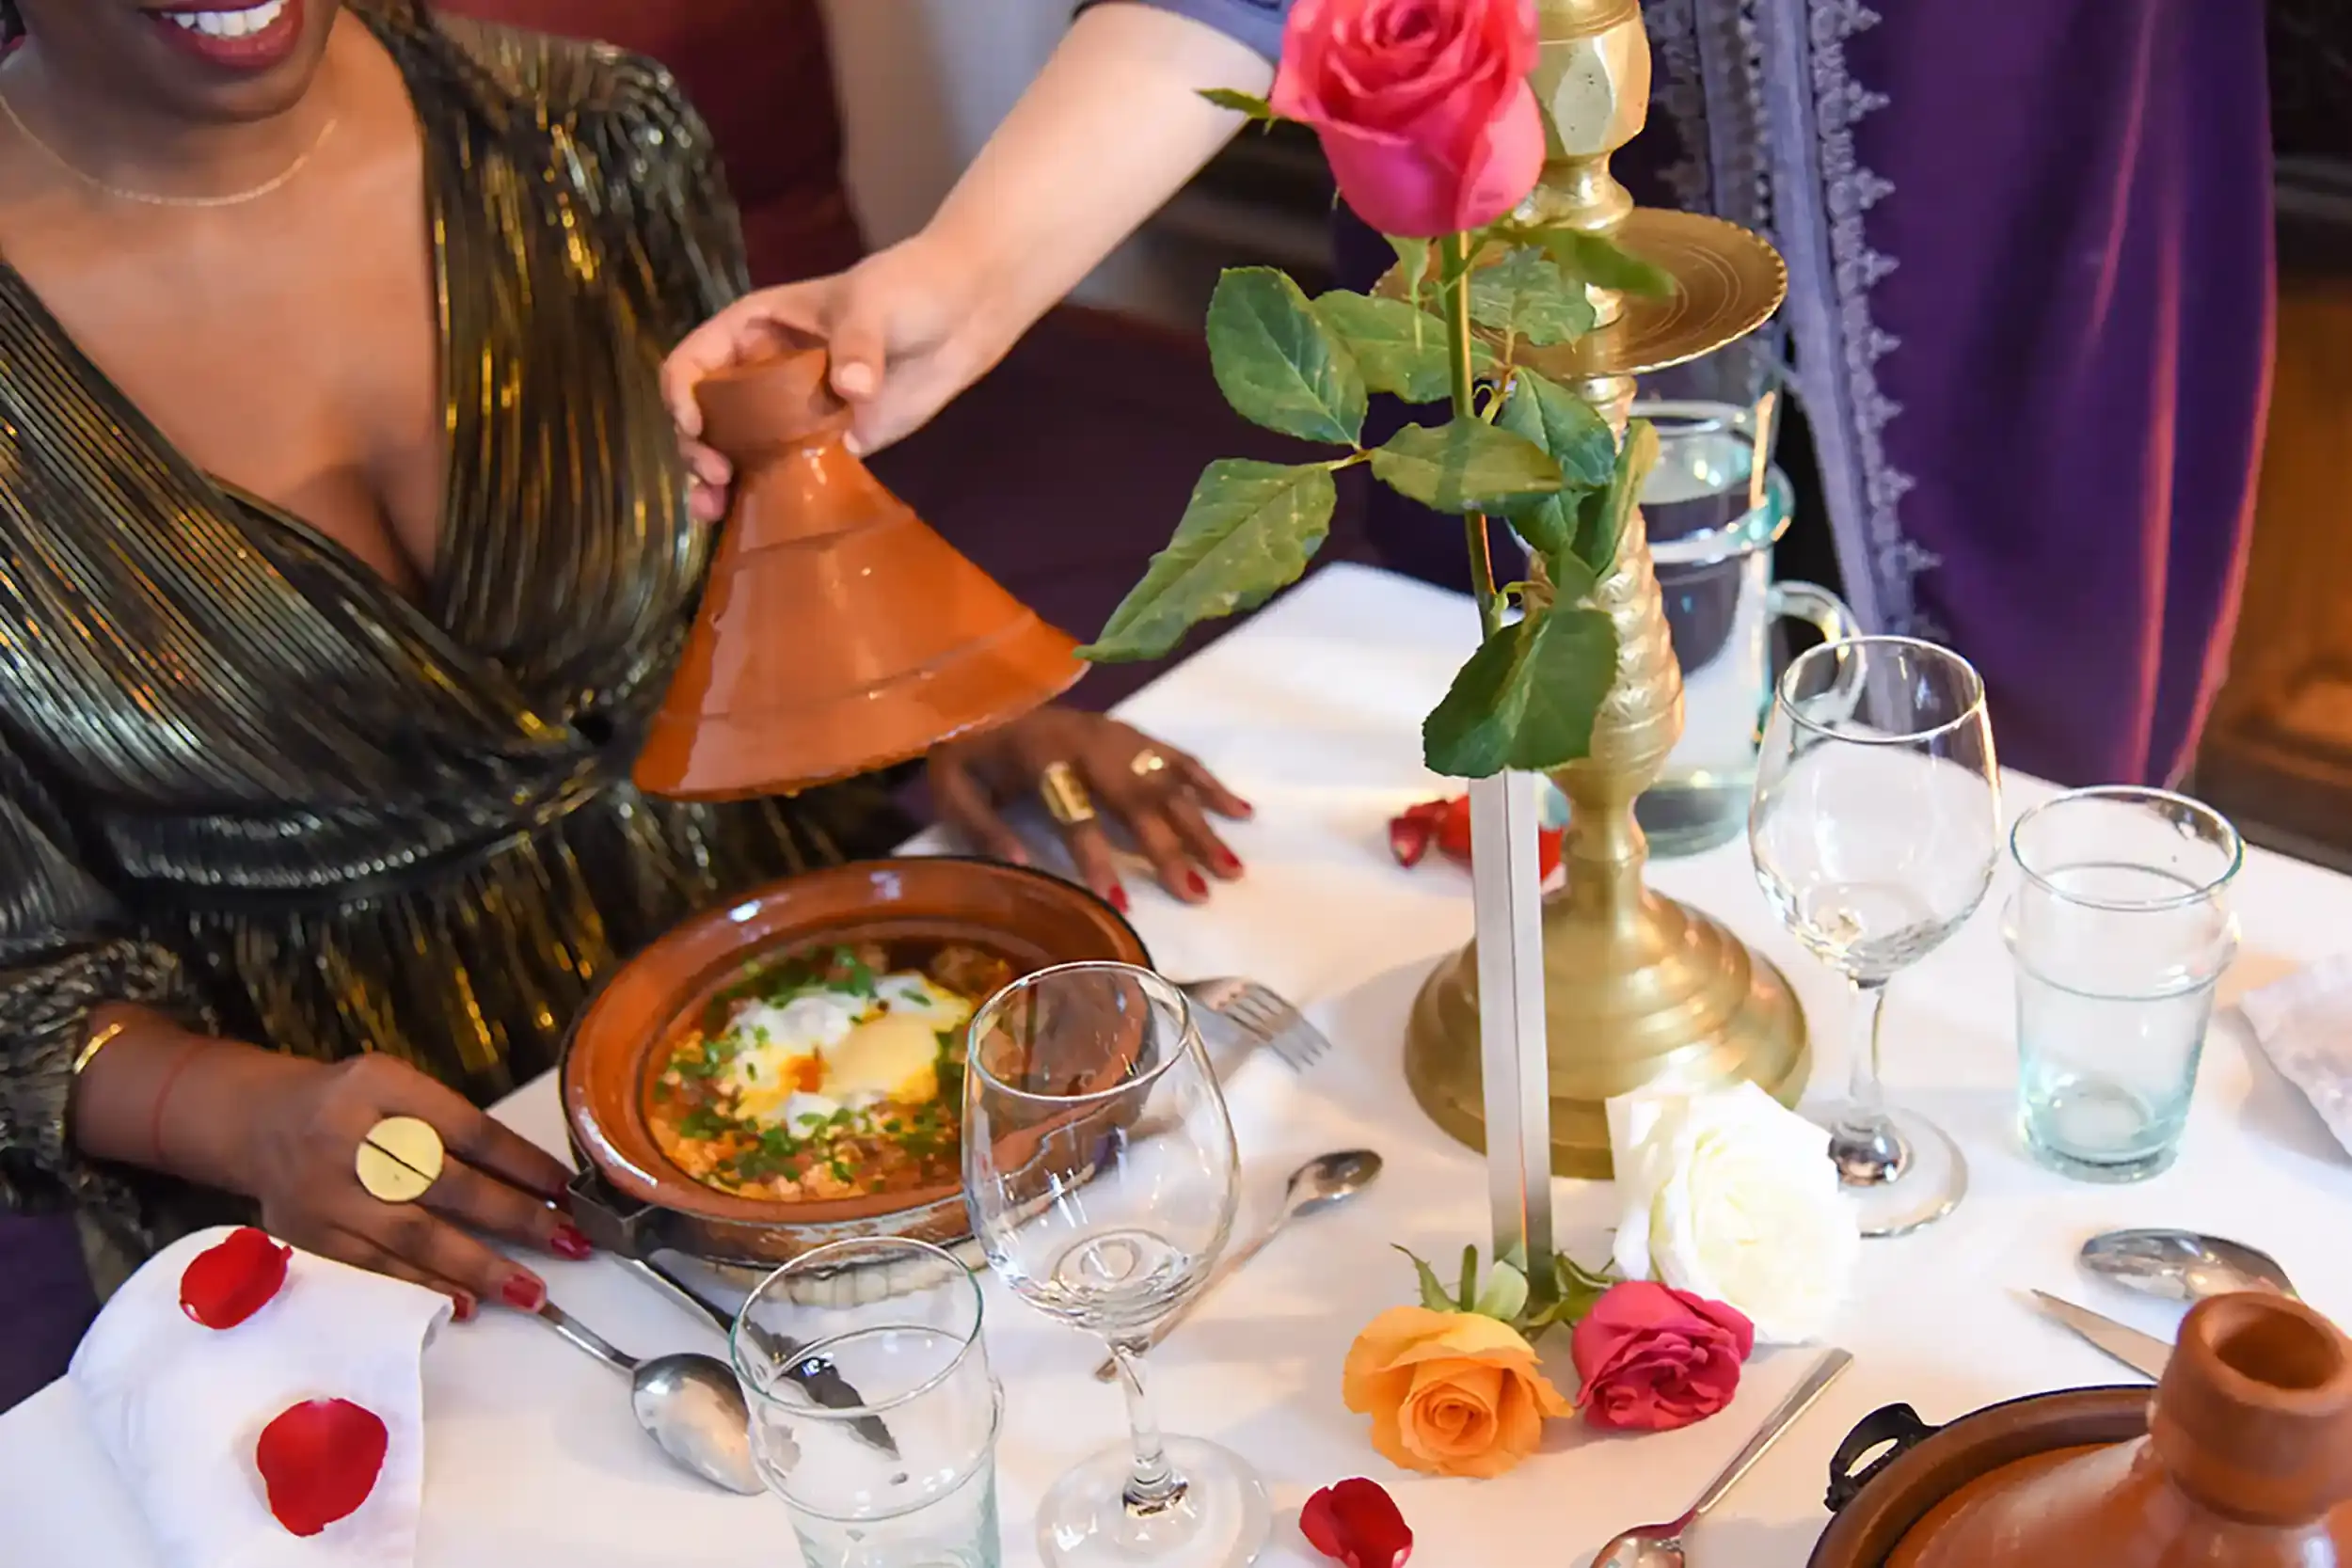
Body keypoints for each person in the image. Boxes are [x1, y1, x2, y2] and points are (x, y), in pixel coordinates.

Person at [0, 0, 1250, 1394]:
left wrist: (948, 717)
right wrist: (242, 1116)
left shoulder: (593, 134)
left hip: (798, 1061)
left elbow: (727, 585)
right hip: (370, 1201)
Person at [674, 0, 2272, 792]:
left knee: (1983, 854)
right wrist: (958, 280)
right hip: (1509, 325)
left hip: (2042, 253)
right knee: (1544, 794)